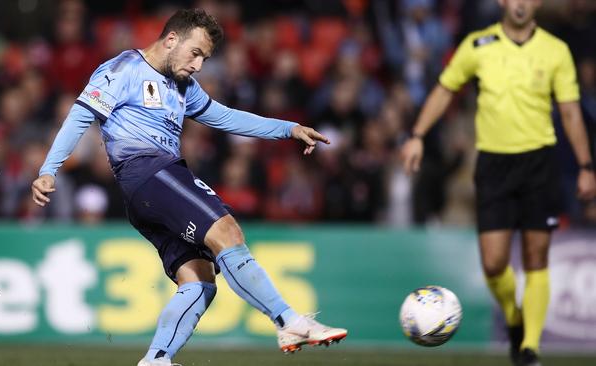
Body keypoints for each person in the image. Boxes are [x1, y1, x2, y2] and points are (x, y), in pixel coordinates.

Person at [31, 8, 346, 366]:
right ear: (170, 40)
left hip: (143, 194)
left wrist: (287, 128)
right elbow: (80, 115)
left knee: (199, 279)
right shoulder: (123, 69)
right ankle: (289, 322)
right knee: (227, 233)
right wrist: (49, 169)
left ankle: (156, 360)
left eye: (205, 58)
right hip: (150, 172)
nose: (198, 65)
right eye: (195, 53)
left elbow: (225, 117)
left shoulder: (184, 87)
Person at [400, 1, 596, 365]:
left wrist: (586, 165)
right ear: (503, 2)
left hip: (539, 162)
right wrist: (417, 134)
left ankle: (528, 349)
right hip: (493, 163)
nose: (520, 3)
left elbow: (570, 110)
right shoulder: (478, 45)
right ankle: (514, 316)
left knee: (537, 257)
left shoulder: (555, 51)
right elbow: (445, 89)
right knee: (493, 263)